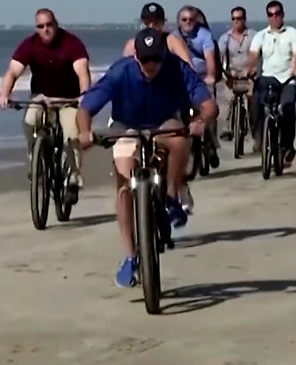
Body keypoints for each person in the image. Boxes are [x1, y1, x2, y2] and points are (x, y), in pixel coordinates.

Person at [77, 28, 216, 288]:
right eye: (145, 60)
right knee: (123, 185)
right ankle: (130, 256)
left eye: (156, 59)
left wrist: (201, 120)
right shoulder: (121, 71)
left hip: (164, 123)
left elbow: (207, 104)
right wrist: (85, 132)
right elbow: (86, 107)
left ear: (163, 55)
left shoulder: (176, 68)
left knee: (180, 139)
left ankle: (172, 195)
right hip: (126, 125)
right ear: (136, 57)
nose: (151, 65)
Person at [0, 8, 91, 202]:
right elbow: (13, 72)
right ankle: (35, 160)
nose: (46, 29)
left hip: (68, 99)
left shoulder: (71, 43)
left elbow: (82, 71)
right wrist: (4, 94)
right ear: (36, 28)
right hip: (42, 98)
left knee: (72, 134)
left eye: (49, 25)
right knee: (29, 121)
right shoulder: (29, 44)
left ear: (56, 24)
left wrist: (84, 95)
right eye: (41, 26)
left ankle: (73, 178)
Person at [246, 0, 296, 167]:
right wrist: (249, 68)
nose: (274, 17)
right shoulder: (260, 36)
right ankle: (260, 140)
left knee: (288, 109)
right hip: (267, 78)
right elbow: (253, 55)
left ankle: (287, 146)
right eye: (271, 14)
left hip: (288, 78)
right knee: (256, 104)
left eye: (277, 13)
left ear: (282, 15)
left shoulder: (294, 34)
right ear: (267, 17)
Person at [175, 5, 221, 167]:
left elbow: (210, 58)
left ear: (196, 20)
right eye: (184, 19)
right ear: (179, 22)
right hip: (183, 80)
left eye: (191, 19)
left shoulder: (204, 35)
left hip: (202, 78)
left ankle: (212, 144)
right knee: (180, 114)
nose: (188, 22)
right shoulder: (175, 37)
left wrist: (210, 76)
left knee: (209, 111)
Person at [217, 6, 257, 149]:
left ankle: (256, 136)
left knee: (252, 104)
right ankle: (229, 128)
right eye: (233, 19)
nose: (236, 21)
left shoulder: (253, 35)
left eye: (239, 18)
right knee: (229, 100)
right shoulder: (225, 38)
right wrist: (224, 73)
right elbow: (220, 57)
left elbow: (258, 53)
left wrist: (252, 69)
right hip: (232, 74)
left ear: (244, 19)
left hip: (250, 74)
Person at [122, 2, 193, 65]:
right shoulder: (133, 44)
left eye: (156, 23)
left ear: (163, 23)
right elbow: (124, 68)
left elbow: (188, 64)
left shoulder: (170, 41)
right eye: (147, 23)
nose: (151, 26)